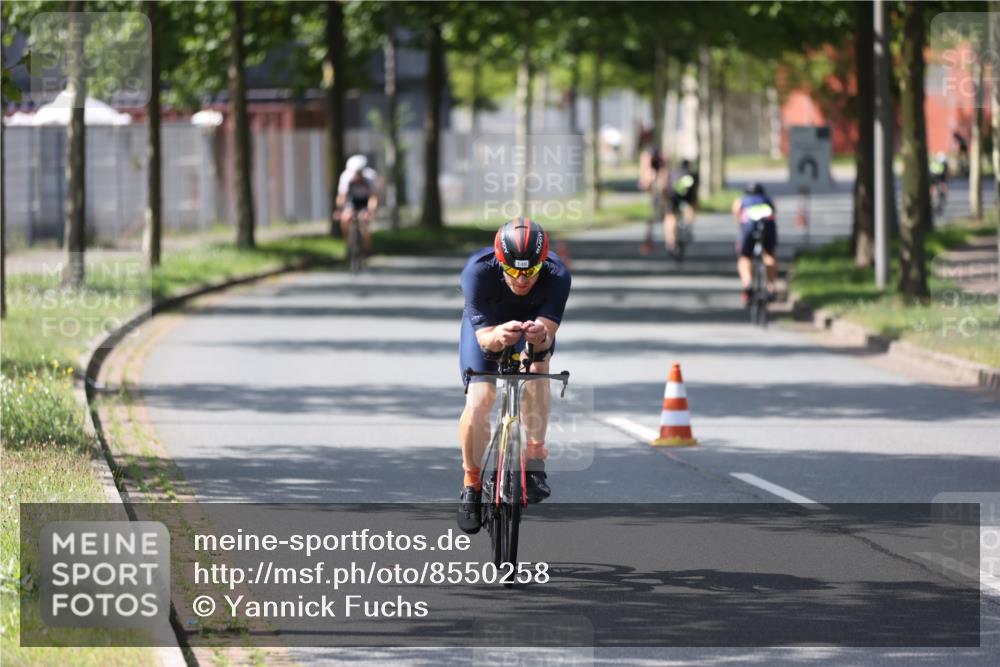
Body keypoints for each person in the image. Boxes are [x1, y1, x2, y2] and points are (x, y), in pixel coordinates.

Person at [456, 218, 572, 534]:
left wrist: (538, 334)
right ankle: (472, 482)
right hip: (489, 329)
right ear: (499, 261)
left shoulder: (557, 275)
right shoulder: (477, 272)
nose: (522, 279)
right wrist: (500, 336)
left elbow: (547, 337)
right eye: (514, 271)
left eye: (530, 271)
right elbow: (485, 342)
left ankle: (534, 460)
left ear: (542, 264)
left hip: (532, 328)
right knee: (481, 401)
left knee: (537, 372)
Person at [731, 183, 778, 305]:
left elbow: (737, 213)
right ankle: (771, 287)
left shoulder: (742, 200)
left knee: (744, 257)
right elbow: (774, 213)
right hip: (767, 227)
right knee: (769, 254)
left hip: (748, 228)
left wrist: (740, 226)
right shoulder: (767, 199)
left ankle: (747, 284)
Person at [336, 154, 380, 254]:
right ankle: (348, 244)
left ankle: (366, 250)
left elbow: (373, 197)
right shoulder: (346, 177)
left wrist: (371, 211)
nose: (357, 176)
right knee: (345, 220)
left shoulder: (371, 177)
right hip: (352, 201)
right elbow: (342, 196)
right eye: (355, 173)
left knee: (364, 222)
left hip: (365, 200)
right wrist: (340, 210)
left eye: (359, 173)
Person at [639, 147, 669, 252]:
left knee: (665, 215)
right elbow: (644, 182)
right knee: (649, 217)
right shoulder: (646, 159)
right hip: (652, 192)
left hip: (659, 192)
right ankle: (649, 240)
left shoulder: (662, 160)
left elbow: (664, 177)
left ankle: (670, 240)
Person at [665, 159, 699, 251]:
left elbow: (666, 187)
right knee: (691, 207)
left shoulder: (672, 173)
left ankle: (671, 242)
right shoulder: (692, 174)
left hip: (673, 195)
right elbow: (695, 192)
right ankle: (688, 225)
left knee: (670, 216)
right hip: (687, 196)